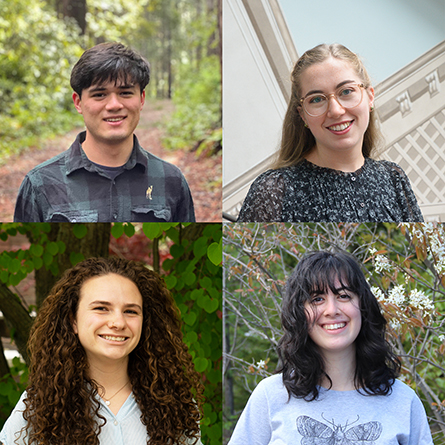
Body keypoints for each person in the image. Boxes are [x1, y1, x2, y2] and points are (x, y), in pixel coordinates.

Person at [228, 251, 433, 444]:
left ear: (363, 306)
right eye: (317, 299)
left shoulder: (404, 401)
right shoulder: (270, 396)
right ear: (299, 313)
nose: (332, 310)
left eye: (344, 296)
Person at [0, 257, 203, 445]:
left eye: (130, 311)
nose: (118, 322)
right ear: (73, 321)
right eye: (101, 308)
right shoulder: (39, 407)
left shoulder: (175, 405)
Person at [237, 44, 423, 222]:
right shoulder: (273, 191)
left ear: (370, 97)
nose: (335, 110)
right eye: (317, 99)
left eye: (347, 91)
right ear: (302, 115)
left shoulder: (393, 178)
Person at [14, 43, 195, 223]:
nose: (114, 105)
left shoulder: (171, 180)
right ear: (78, 102)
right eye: (99, 95)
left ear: (141, 99)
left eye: (125, 92)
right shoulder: (40, 185)